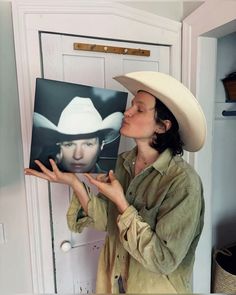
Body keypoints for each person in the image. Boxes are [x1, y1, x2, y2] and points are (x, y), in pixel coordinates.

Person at [25, 71, 206, 293]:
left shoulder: (183, 182)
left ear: (162, 126)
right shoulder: (122, 162)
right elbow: (109, 224)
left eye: (139, 109)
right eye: (131, 105)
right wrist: (75, 183)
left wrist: (121, 202)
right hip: (114, 283)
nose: (127, 112)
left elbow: (163, 260)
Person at [30, 96, 123, 173]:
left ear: (101, 145)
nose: (77, 155)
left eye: (88, 144)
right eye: (69, 144)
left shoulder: (112, 182)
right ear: (59, 147)